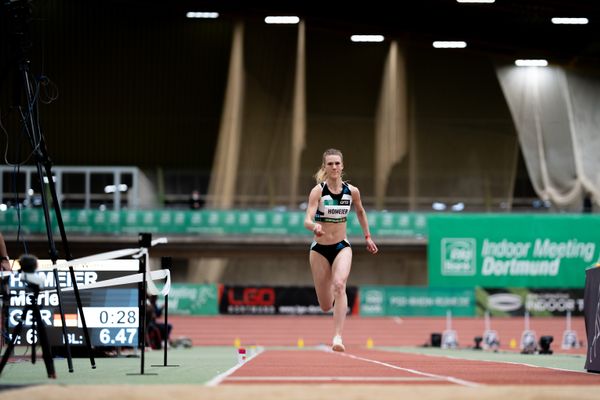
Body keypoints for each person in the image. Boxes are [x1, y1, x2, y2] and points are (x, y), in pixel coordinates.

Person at [303, 148, 378, 352]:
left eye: (337, 163)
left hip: (341, 246)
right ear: (325, 167)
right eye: (330, 164)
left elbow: (361, 213)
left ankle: (337, 337)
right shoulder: (318, 191)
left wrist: (368, 237)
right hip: (319, 249)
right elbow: (307, 219)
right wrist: (315, 226)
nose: (334, 167)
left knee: (339, 284)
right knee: (326, 305)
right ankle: (332, 301)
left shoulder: (352, 191)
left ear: (342, 166)